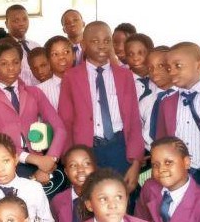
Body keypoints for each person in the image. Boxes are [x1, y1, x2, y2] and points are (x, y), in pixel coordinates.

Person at [58, 21, 144, 192]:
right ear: (83, 45)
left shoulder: (125, 75)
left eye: (107, 40)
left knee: (121, 197)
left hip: (119, 148)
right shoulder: (71, 77)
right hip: (87, 150)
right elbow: (65, 120)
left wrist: (135, 162)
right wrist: (69, 159)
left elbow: (134, 120)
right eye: (95, 41)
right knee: (89, 197)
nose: (102, 45)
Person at [0, 38, 66, 185]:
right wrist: (37, 160)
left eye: (15, 62)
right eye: (4, 63)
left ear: (21, 64)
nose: (11, 68)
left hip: (43, 160)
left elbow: (60, 128)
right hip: (8, 165)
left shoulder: (34, 93)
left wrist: (50, 159)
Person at [156, 42, 200, 193]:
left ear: (198, 65)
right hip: (178, 176)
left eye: (178, 66)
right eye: (169, 68)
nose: (172, 72)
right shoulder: (166, 103)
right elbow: (161, 140)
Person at [50, 145, 96, 222]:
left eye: (86, 164)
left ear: (94, 167)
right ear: (66, 172)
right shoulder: (57, 201)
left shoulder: (105, 197)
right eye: (73, 165)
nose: (80, 169)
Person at [138, 46, 175, 152]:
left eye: (161, 65)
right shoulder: (145, 101)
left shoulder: (184, 97)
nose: (154, 71)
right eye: (150, 68)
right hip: (150, 153)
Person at [4, 4, 40, 85]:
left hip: (39, 89)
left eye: (25, 19)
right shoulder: (3, 48)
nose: (21, 23)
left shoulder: (36, 46)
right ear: (6, 24)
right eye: (16, 21)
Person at [37, 35, 75, 110]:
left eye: (66, 52)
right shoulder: (40, 91)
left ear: (74, 55)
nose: (61, 57)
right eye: (55, 54)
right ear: (48, 60)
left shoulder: (87, 82)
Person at [125, 33, 156, 102]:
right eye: (130, 54)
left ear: (150, 53)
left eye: (140, 53)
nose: (135, 58)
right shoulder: (122, 82)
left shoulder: (158, 80)